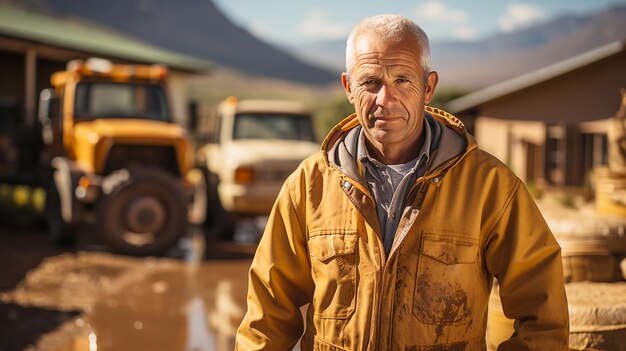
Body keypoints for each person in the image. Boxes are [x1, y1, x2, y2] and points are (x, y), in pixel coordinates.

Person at [235, 14, 569, 351]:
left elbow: (544, 320)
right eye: (370, 82)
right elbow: (267, 318)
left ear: (428, 88)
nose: (386, 99)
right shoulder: (308, 186)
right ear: (349, 88)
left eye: (402, 80)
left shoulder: (490, 187)